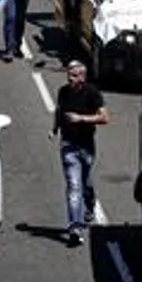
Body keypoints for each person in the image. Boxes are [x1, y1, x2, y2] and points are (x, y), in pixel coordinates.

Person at [51, 59, 107, 247]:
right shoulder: (63, 92)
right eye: (69, 74)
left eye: (74, 75)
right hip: (68, 145)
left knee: (86, 182)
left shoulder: (92, 93)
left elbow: (105, 117)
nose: (70, 78)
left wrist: (81, 118)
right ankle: (75, 226)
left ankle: (89, 204)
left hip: (86, 145)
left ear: (82, 77)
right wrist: (55, 129)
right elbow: (59, 111)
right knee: (74, 186)